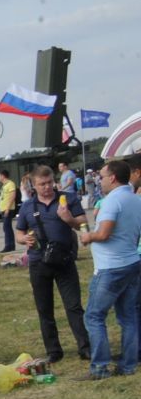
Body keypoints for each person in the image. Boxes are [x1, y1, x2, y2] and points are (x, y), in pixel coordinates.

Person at [15, 165, 94, 366]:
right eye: (42, 184)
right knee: (44, 309)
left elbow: (83, 223)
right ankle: (53, 351)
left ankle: (85, 348)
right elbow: (19, 233)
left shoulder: (67, 199)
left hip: (64, 261)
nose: (47, 187)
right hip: (38, 263)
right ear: (34, 185)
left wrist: (69, 219)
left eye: (50, 182)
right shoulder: (27, 207)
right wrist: (24, 240)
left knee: (74, 306)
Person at [81, 159, 141, 380]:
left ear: (113, 178)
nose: (100, 181)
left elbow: (104, 233)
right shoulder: (136, 200)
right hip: (131, 263)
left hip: (111, 268)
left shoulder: (112, 201)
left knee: (94, 316)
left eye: (103, 177)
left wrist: (89, 236)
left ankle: (100, 367)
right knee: (128, 317)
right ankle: (128, 366)